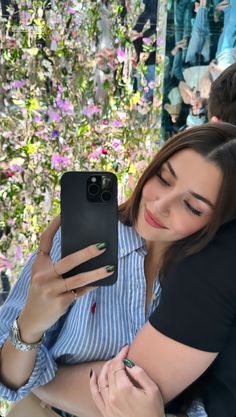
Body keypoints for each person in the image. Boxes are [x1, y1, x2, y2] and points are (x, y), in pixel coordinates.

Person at [1, 123, 236, 417]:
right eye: (163, 179)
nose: (160, 204)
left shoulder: (208, 288)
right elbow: (8, 380)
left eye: (191, 206)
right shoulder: (82, 240)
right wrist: (30, 325)